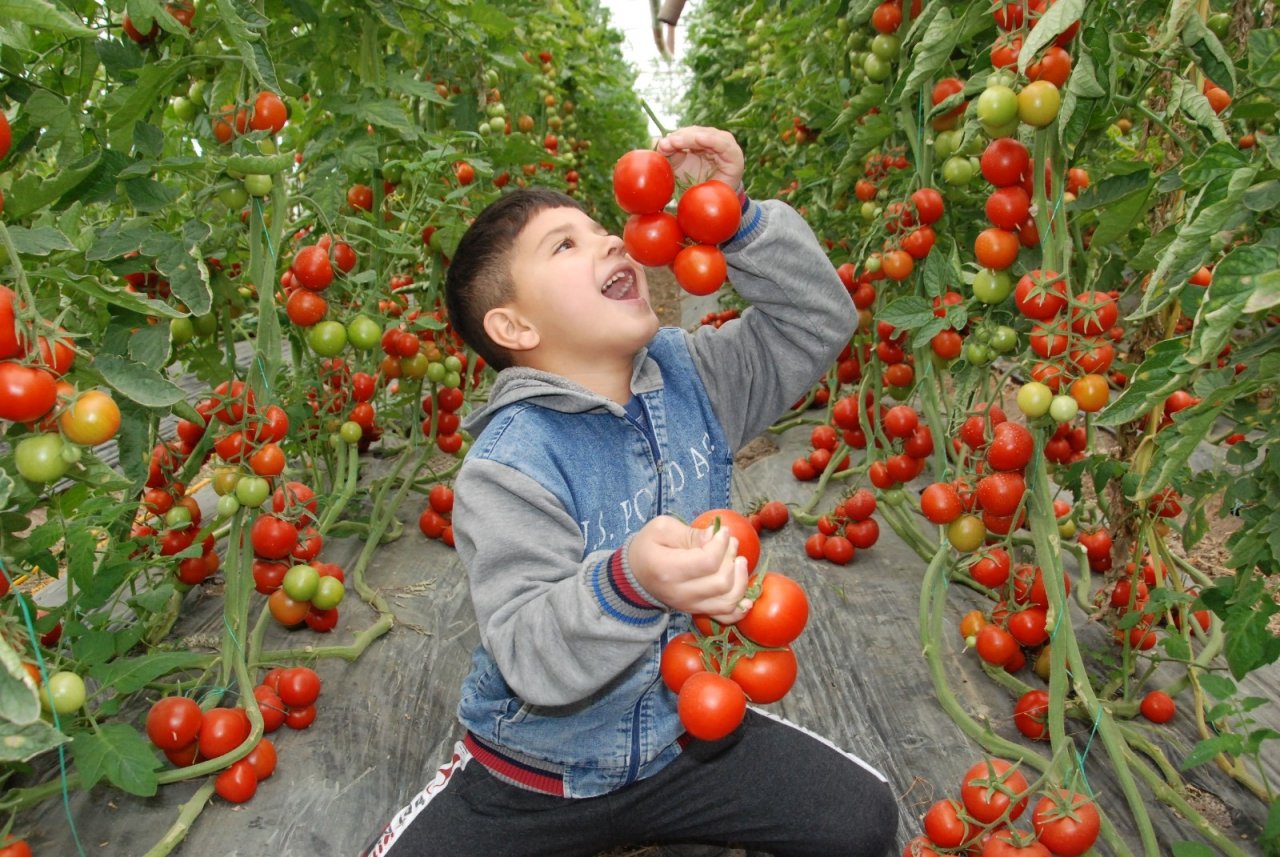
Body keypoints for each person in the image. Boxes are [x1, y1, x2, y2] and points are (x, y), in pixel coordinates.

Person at [362, 126, 898, 857]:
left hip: (686, 741)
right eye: (566, 245)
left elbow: (819, 320)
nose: (612, 240)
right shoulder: (508, 464)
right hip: (538, 773)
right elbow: (529, 650)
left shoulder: (694, 375)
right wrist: (629, 581)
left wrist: (731, 215)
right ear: (512, 325)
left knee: (862, 818)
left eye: (601, 227)